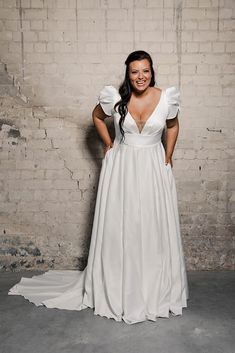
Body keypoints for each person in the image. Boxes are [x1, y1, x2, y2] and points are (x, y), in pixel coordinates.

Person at [8, 50, 189, 325]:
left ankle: (153, 289)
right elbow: (95, 117)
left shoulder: (166, 98)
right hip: (123, 167)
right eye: (135, 71)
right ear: (128, 74)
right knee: (124, 225)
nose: (141, 76)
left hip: (153, 166)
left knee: (152, 225)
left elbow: (173, 126)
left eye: (146, 71)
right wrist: (108, 144)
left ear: (152, 72)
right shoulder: (115, 99)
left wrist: (168, 155)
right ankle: (120, 288)